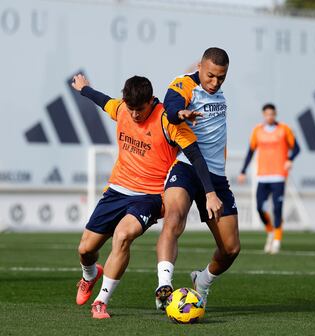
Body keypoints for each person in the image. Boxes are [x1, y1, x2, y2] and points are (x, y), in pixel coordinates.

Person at [72, 74, 222, 319]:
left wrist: (209, 192)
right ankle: (89, 275)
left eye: (139, 110)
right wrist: (84, 89)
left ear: (151, 101)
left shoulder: (168, 121)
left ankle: (101, 301)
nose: (134, 115)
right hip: (117, 190)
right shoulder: (122, 108)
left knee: (122, 236)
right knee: (85, 250)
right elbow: (103, 101)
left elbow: (195, 156)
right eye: (130, 109)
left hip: (149, 196)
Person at [155, 47, 240, 309]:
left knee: (231, 249)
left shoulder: (217, 90)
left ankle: (201, 282)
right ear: (200, 67)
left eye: (221, 78)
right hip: (187, 168)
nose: (215, 83)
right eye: (211, 76)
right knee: (174, 218)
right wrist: (179, 113)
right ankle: (164, 287)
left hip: (215, 177)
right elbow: (170, 106)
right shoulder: (184, 84)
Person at [238, 103, 300, 254]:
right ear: (263, 115)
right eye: (267, 114)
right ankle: (270, 231)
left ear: (275, 114)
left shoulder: (284, 129)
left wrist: (290, 159)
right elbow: (251, 151)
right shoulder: (257, 131)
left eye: (272, 114)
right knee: (260, 207)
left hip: (278, 175)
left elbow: (297, 148)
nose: (269, 117)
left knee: (277, 208)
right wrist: (243, 171)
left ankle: (277, 241)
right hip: (263, 176)